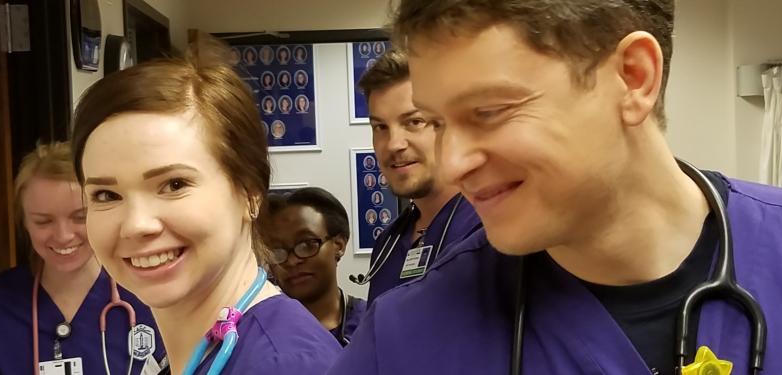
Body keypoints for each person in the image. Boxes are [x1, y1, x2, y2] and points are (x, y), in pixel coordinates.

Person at [329, 1, 782, 374]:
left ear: (633, 78)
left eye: (488, 111)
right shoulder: (407, 342)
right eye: (436, 121)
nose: (453, 163)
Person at [71, 41, 341, 375]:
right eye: (106, 195)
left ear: (250, 193)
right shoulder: (208, 350)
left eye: (174, 185)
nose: (136, 225)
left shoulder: (286, 366)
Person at [0, 142, 165, 375]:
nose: (63, 236)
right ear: (24, 223)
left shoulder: (150, 297)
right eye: (43, 221)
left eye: (79, 217)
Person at [351, 49, 483, 303]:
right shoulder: (389, 244)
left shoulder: (488, 231)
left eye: (413, 122)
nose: (393, 144)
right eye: (380, 127)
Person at [262, 187, 368, 346]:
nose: (291, 261)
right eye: (277, 251)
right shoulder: (261, 334)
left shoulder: (371, 323)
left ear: (339, 245)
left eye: (306, 244)